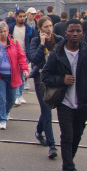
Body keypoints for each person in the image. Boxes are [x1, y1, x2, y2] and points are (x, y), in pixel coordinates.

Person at [41, 19, 87, 171]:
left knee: (77, 135)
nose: (75, 34)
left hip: (83, 103)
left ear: (82, 33)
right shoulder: (57, 53)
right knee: (67, 136)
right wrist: (62, 79)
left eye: (78, 31)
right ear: (66, 33)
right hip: (64, 102)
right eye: (72, 31)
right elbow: (45, 76)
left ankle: (69, 161)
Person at [28, 16, 62, 159]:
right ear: (40, 29)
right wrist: (42, 44)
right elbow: (34, 59)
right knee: (47, 111)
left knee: (48, 108)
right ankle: (52, 146)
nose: (49, 29)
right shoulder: (36, 40)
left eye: (50, 26)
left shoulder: (59, 40)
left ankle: (38, 131)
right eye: (46, 27)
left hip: (55, 80)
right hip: (40, 81)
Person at [10, 9, 34, 106]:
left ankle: (19, 95)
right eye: (20, 16)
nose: (23, 18)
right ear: (16, 17)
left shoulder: (28, 28)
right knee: (15, 76)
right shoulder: (11, 28)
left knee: (23, 76)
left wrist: (30, 54)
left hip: (24, 54)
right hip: (13, 55)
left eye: (24, 16)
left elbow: (31, 41)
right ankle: (17, 95)